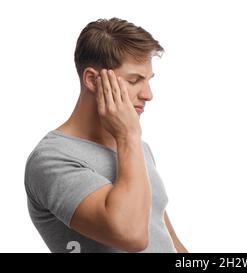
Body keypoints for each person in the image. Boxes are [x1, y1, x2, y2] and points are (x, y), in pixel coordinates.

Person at [24, 17, 188, 253]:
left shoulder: (137, 147)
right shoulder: (52, 160)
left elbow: (163, 235)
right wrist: (128, 136)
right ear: (92, 80)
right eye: (134, 80)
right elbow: (132, 236)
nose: (148, 94)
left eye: (149, 80)